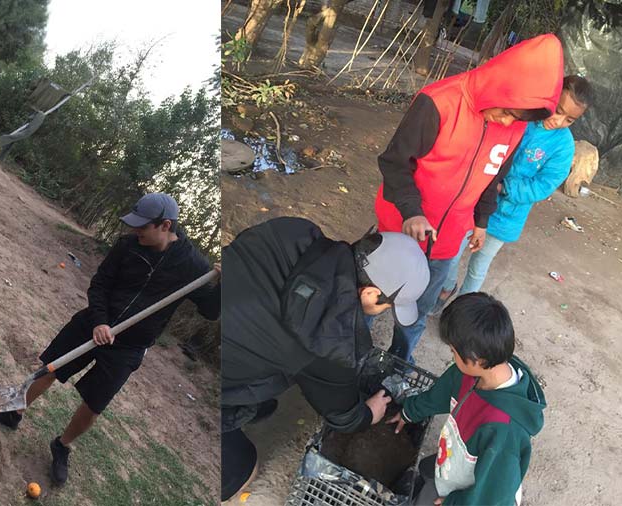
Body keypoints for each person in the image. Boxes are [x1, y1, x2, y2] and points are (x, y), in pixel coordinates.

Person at [0, 192, 221, 487]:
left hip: (130, 345)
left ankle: (62, 445)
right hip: (94, 322)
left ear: (165, 225)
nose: (135, 231)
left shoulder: (193, 266)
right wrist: (100, 321)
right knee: (52, 368)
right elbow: (100, 284)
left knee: (94, 405)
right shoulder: (127, 246)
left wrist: (224, 287)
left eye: (142, 227)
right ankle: (15, 412)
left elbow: (211, 311)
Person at [373, 34, 564, 362]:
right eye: (505, 111)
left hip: (446, 241)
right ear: (497, 85)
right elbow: (394, 162)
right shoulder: (439, 102)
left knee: (417, 312)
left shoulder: (515, 126)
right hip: (399, 230)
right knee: (373, 298)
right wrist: (412, 211)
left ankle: (397, 364)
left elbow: (494, 178)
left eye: (515, 118)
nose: (506, 122)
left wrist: (481, 222)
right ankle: (347, 355)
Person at [220, 217, 431, 502]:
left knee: (278, 354)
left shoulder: (295, 229)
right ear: (369, 293)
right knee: (242, 470)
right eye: (388, 306)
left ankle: (248, 403)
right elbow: (343, 417)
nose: (383, 312)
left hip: (218, 312)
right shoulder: (330, 338)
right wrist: (368, 413)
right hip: (221, 371)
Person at [431, 76, 593, 313]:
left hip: (506, 216)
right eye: (557, 110)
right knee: (452, 252)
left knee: (479, 266)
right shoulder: (522, 116)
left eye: (569, 119)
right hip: (474, 203)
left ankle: (463, 310)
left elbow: (543, 186)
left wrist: (504, 187)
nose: (558, 121)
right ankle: (446, 287)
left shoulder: (564, 146)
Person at [388, 293, 545, 505]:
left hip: (474, 496)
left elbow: (493, 498)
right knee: (427, 471)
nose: (452, 357)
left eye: (454, 351)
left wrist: (452, 502)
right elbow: (440, 394)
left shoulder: (504, 431)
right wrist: (410, 412)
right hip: (455, 463)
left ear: (478, 359)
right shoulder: (470, 372)